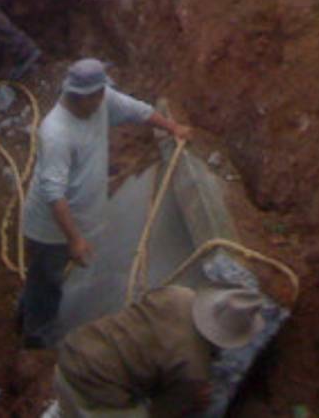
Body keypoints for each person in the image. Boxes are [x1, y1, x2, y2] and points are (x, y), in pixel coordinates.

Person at [20, 59, 191, 349]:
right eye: (97, 95)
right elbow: (54, 194)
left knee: (43, 278)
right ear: (79, 96)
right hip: (51, 228)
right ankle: (37, 336)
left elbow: (137, 110)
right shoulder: (57, 133)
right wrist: (74, 239)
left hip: (74, 220)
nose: (103, 100)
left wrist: (173, 127)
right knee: (47, 280)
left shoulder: (99, 101)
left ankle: (27, 310)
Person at [52, 285, 268, 418]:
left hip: (74, 351)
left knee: (68, 410)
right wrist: (192, 401)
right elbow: (159, 413)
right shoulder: (194, 371)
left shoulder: (179, 294)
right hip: (95, 388)